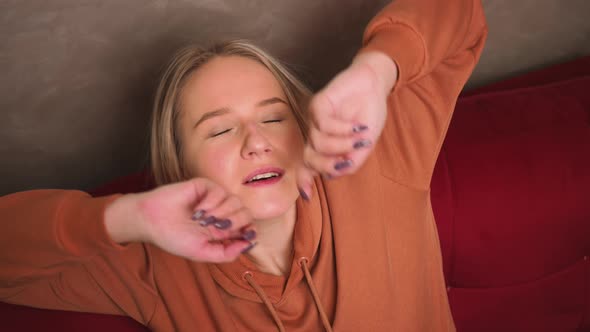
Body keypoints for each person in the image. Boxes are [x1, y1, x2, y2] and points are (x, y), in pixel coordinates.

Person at [0, 0, 487, 330]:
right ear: (180, 165)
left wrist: (375, 71)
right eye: (219, 129)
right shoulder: (152, 266)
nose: (257, 142)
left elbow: (461, 14)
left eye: (274, 117)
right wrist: (124, 218)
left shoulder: (378, 158)